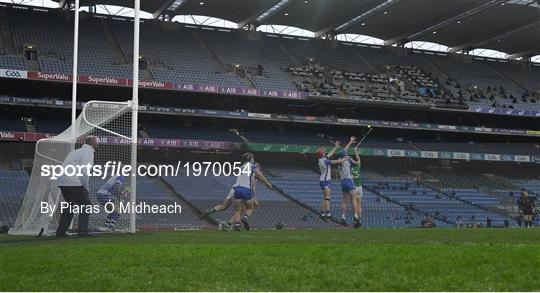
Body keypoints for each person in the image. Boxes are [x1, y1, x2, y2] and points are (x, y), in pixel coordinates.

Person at [56, 136, 98, 237]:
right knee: (86, 205)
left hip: (62, 182)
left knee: (70, 205)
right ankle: (82, 231)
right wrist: (86, 187)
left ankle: (61, 232)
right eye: (96, 142)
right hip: (73, 182)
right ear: (93, 143)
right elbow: (84, 171)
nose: (97, 144)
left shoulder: (75, 152)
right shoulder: (88, 152)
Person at [231, 153, 273, 231]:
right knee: (250, 207)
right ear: (250, 158)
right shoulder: (252, 166)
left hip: (236, 189)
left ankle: (237, 225)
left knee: (238, 210)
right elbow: (260, 175)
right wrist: (268, 184)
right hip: (246, 189)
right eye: (253, 158)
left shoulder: (241, 167)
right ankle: (245, 218)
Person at [336, 136, 362, 228]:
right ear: (344, 155)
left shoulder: (339, 160)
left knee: (344, 200)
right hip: (349, 181)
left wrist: (350, 142)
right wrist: (357, 156)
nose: (346, 153)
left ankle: (343, 217)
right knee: (354, 198)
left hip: (342, 181)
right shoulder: (348, 160)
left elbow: (344, 150)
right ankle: (355, 216)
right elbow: (357, 164)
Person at [315, 140, 342, 220]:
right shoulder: (325, 161)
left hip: (323, 180)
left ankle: (322, 213)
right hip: (326, 180)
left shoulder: (321, 159)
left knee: (325, 197)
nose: (324, 151)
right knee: (327, 198)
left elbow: (329, 154)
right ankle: (328, 213)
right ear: (322, 153)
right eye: (323, 151)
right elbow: (336, 161)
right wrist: (345, 159)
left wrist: (336, 147)